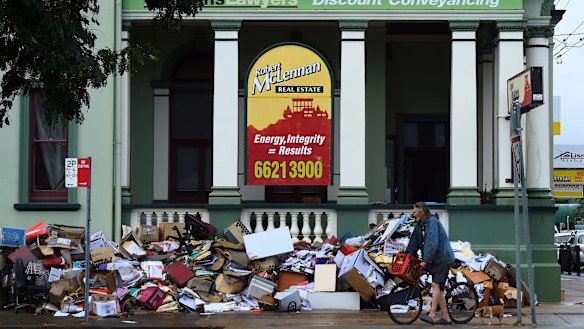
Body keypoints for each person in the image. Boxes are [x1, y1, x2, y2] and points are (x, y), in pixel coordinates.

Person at [405, 201, 455, 325]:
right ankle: (446, 317)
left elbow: (432, 243)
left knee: (435, 285)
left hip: (442, 257)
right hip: (434, 258)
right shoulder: (420, 225)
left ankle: (432, 315)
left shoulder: (432, 223)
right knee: (437, 287)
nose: (413, 213)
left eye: (415, 211)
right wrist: (408, 255)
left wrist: (425, 261)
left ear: (422, 213)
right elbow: (414, 241)